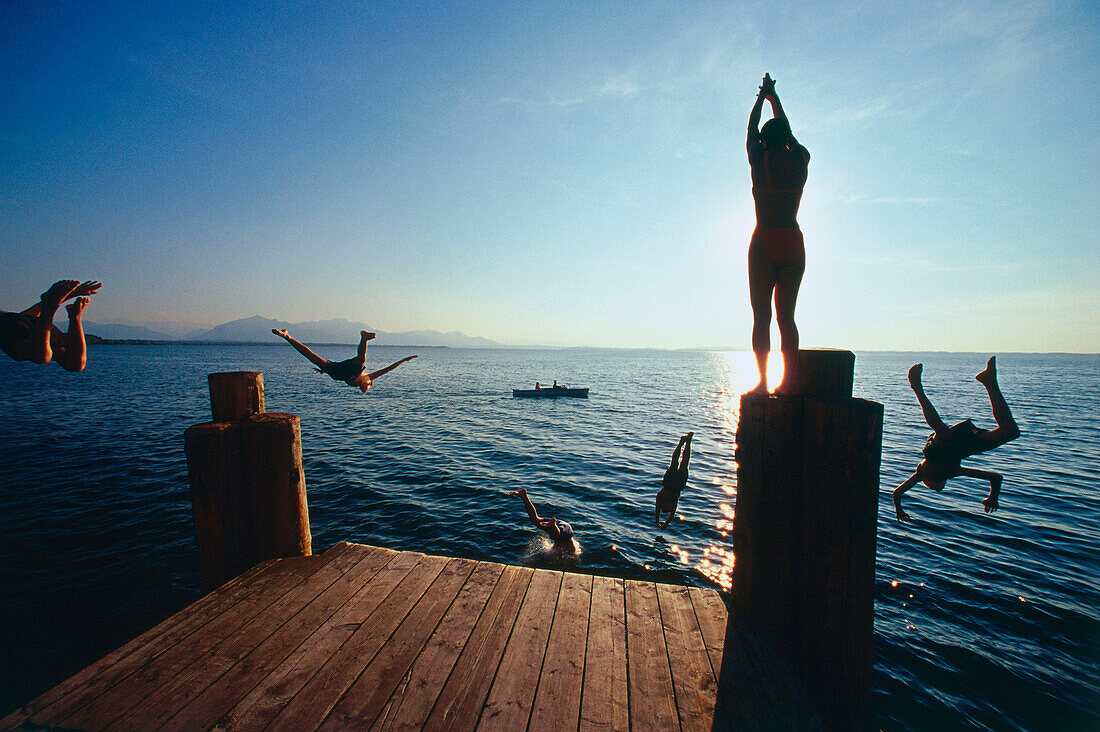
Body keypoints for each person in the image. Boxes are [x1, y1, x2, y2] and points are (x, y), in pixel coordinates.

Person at [893, 357, 1021, 522]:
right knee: (1010, 432)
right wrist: (993, 497)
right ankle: (989, 381)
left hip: (936, 450)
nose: (940, 481)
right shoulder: (953, 472)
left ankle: (917, 387)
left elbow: (897, 493)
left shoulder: (923, 473)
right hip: (961, 447)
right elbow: (996, 478)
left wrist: (899, 511)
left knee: (942, 432)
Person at [746, 73, 810, 395]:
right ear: (787, 139)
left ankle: (762, 382)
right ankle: (789, 382)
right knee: (787, 318)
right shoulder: (800, 159)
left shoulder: (760, 158)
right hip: (793, 242)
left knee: (762, 317)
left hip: (765, 241)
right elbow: (787, 131)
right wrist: (775, 100)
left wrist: (761, 98)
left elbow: (751, 131)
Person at [272, 328, 417, 393]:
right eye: (366, 388)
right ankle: (364, 337)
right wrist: (404, 360)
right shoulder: (370, 377)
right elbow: (389, 368)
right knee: (361, 360)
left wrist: (323, 371)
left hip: (337, 373)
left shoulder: (361, 382)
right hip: (349, 370)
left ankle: (287, 336)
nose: (364, 390)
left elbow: (345, 377)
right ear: (370, 384)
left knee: (312, 357)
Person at [0, 279, 101, 372]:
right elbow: (22, 317)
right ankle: (75, 317)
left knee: (41, 356)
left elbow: (20, 318)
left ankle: (55, 308)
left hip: (24, 329)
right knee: (75, 365)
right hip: (35, 329)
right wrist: (69, 294)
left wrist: (66, 296)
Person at [509, 488, 577, 553]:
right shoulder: (569, 549)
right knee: (556, 535)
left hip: (563, 526)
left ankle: (524, 497)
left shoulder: (566, 547)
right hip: (565, 530)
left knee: (535, 520)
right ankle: (523, 496)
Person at [656, 432, 693, 527]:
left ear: (663, 506)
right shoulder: (673, 502)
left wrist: (658, 522)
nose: (669, 508)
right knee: (685, 462)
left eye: (667, 508)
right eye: (669, 508)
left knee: (674, 462)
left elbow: (657, 513)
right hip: (678, 485)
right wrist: (665, 524)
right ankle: (688, 442)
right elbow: (672, 515)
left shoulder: (660, 499)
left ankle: (681, 443)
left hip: (668, 483)